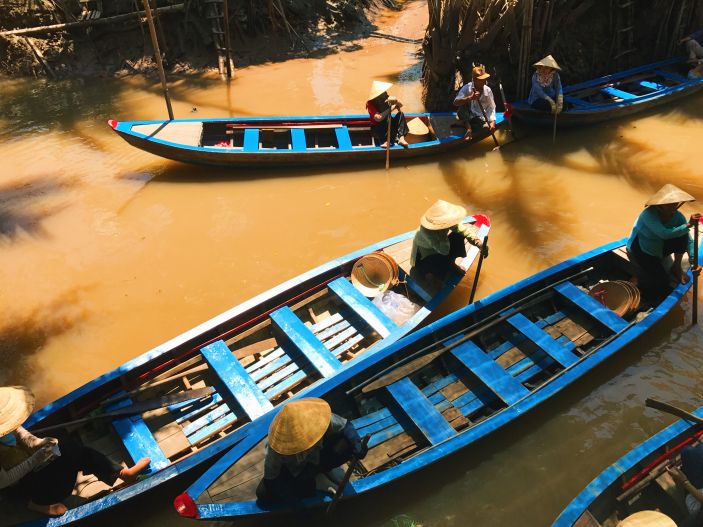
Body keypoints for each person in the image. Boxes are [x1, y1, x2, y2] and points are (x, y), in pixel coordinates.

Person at [0, 385, 150, 517]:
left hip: (31, 464)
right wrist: (36, 459)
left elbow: (22, 435)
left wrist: (39, 443)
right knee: (67, 461)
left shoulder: (8, 420)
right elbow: (4, 481)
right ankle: (36, 503)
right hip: (19, 484)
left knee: (71, 448)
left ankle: (120, 473)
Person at [256, 398, 366, 504]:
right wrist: (293, 501)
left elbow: (346, 426)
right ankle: (316, 481)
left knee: (346, 444)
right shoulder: (275, 449)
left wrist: (358, 446)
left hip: (320, 458)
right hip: (298, 472)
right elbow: (271, 479)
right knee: (263, 494)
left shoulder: (316, 419)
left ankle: (323, 471)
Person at [626, 184, 701, 303]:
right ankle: (639, 283)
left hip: (660, 247)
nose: (673, 207)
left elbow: (689, 240)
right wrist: (688, 225)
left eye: (675, 204)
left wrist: (693, 262)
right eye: (669, 205)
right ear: (660, 206)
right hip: (642, 250)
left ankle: (676, 266)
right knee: (661, 281)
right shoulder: (648, 215)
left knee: (683, 236)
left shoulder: (678, 217)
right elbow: (663, 233)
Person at [410, 199, 487, 279]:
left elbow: (463, 230)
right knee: (439, 270)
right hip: (425, 257)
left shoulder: (443, 223)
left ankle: (450, 263)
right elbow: (444, 250)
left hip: (439, 249)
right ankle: (441, 269)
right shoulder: (427, 231)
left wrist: (478, 243)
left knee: (459, 234)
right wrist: (443, 235)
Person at [453, 64, 497, 141]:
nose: (484, 81)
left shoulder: (488, 90)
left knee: (485, 128)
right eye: (481, 80)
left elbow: (492, 106)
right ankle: (468, 128)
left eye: (484, 79)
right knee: (463, 106)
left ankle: (466, 124)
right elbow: (455, 102)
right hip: (467, 113)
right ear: (474, 80)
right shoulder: (467, 88)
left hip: (479, 117)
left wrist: (493, 121)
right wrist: (470, 98)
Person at [366, 80, 409, 148]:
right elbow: (378, 118)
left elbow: (400, 105)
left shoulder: (386, 98)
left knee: (401, 114)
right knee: (385, 118)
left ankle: (401, 138)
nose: (385, 94)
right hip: (377, 129)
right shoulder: (370, 103)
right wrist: (390, 109)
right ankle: (384, 141)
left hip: (388, 125)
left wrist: (396, 101)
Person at [668, 443, 703, 524]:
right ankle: (685, 469)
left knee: (688, 451)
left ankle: (685, 469)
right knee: (696, 450)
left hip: (697, 498)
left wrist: (685, 482)